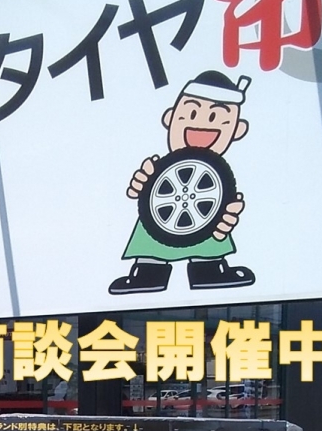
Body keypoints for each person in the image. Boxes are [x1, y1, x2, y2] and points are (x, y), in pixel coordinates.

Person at [109, 70, 255, 294]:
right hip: (156, 221)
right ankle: (147, 274)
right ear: (170, 118)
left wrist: (228, 216)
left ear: (238, 129)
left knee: (210, 243)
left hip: (207, 222)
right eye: (192, 113)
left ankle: (210, 272)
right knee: (150, 244)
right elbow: (137, 187)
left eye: (216, 117)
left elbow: (229, 209)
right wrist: (141, 183)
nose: (202, 124)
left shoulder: (222, 177)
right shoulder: (158, 166)